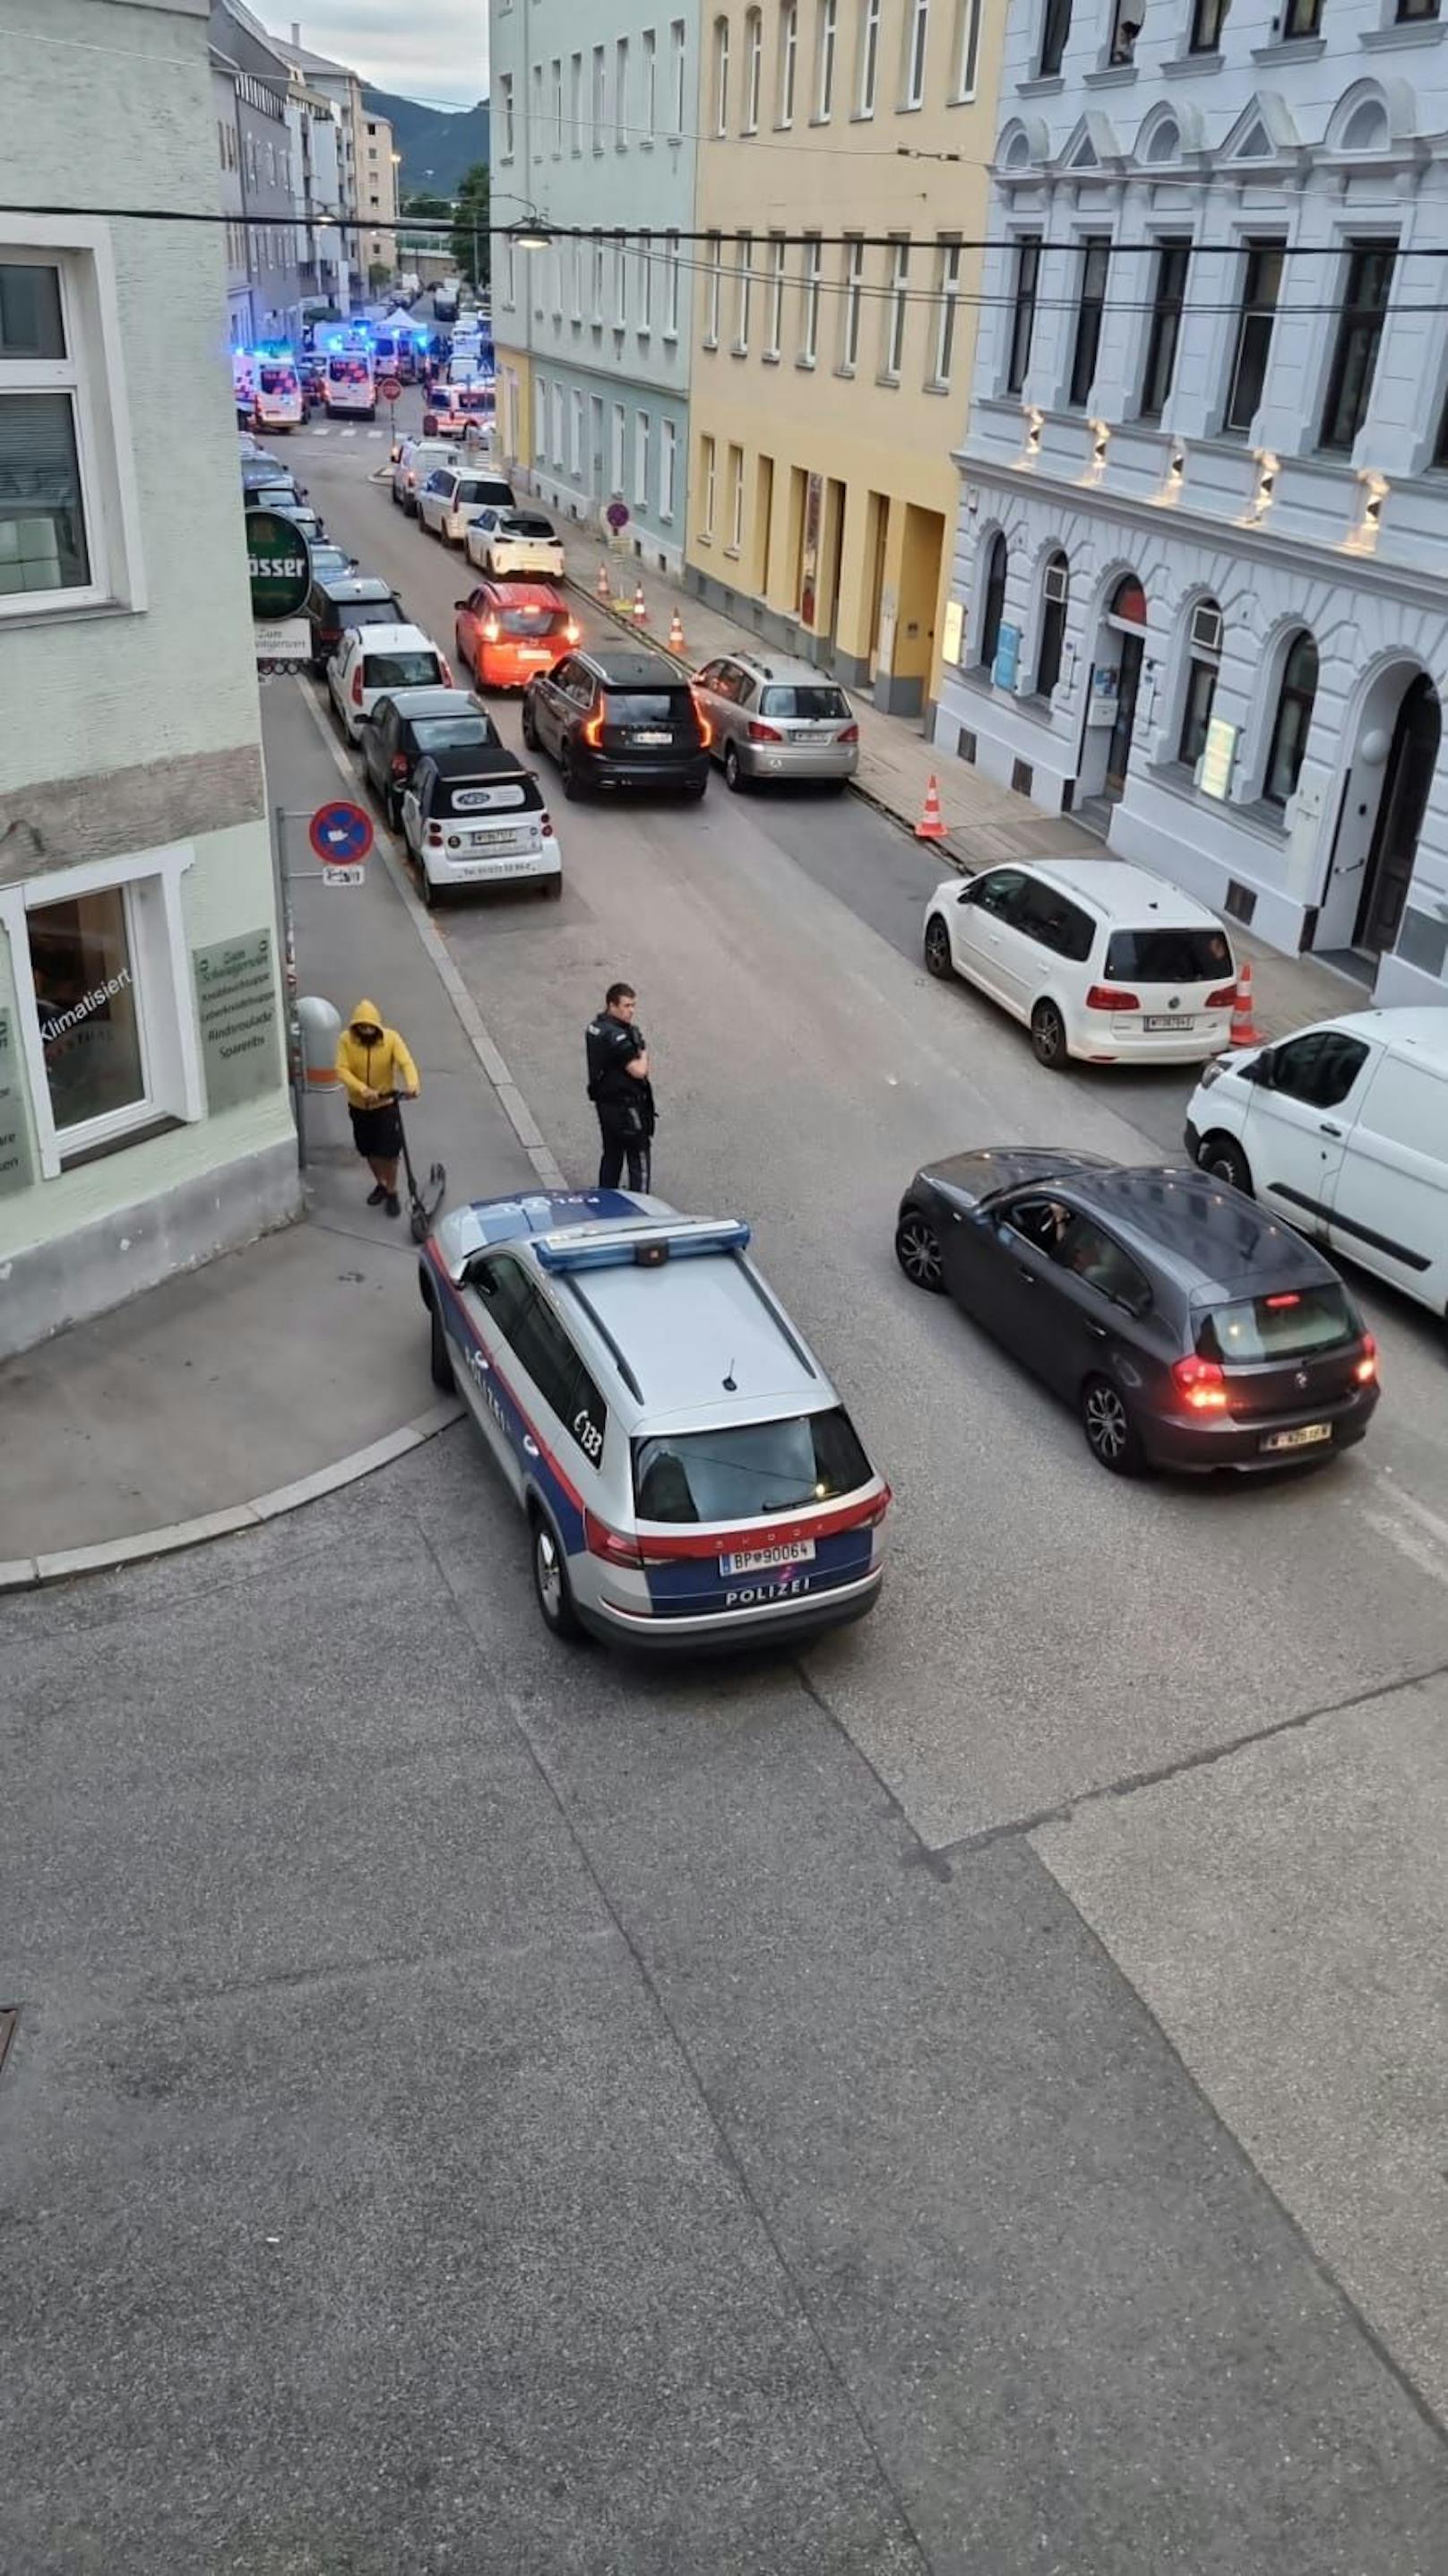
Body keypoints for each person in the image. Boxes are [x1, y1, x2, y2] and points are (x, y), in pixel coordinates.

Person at [335, 998, 418, 1218]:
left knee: (390, 1152)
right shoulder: (346, 1041)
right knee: (369, 1150)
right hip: (359, 1106)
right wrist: (362, 1089)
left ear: (377, 1027)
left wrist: (412, 1084)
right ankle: (380, 1183)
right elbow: (341, 1070)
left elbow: (405, 1062)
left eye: (370, 1027)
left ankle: (392, 1191)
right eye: (362, 1027)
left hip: (385, 1105)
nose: (366, 1031)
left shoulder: (391, 1039)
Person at [585, 981, 656, 1192]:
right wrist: (643, 1052)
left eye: (633, 1005)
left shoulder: (595, 1028)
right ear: (612, 1005)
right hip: (627, 1107)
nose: (631, 1011)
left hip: (605, 1104)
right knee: (639, 1154)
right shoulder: (618, 1037)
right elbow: (639, 1071)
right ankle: (641, 1207)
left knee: (612, 1153)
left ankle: (606, 1199)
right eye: (626, 1006)